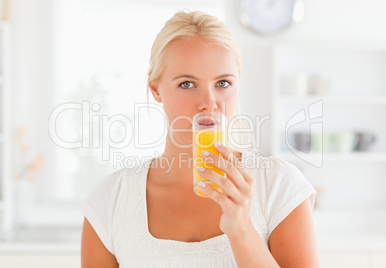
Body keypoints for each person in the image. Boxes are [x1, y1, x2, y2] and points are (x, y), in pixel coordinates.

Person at [80, 10, 320, 268]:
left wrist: (241, 230)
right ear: (156, 89)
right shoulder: (109, 201)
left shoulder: (280, 186)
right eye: (187, 84)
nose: (209, 103)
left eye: (223, 83)